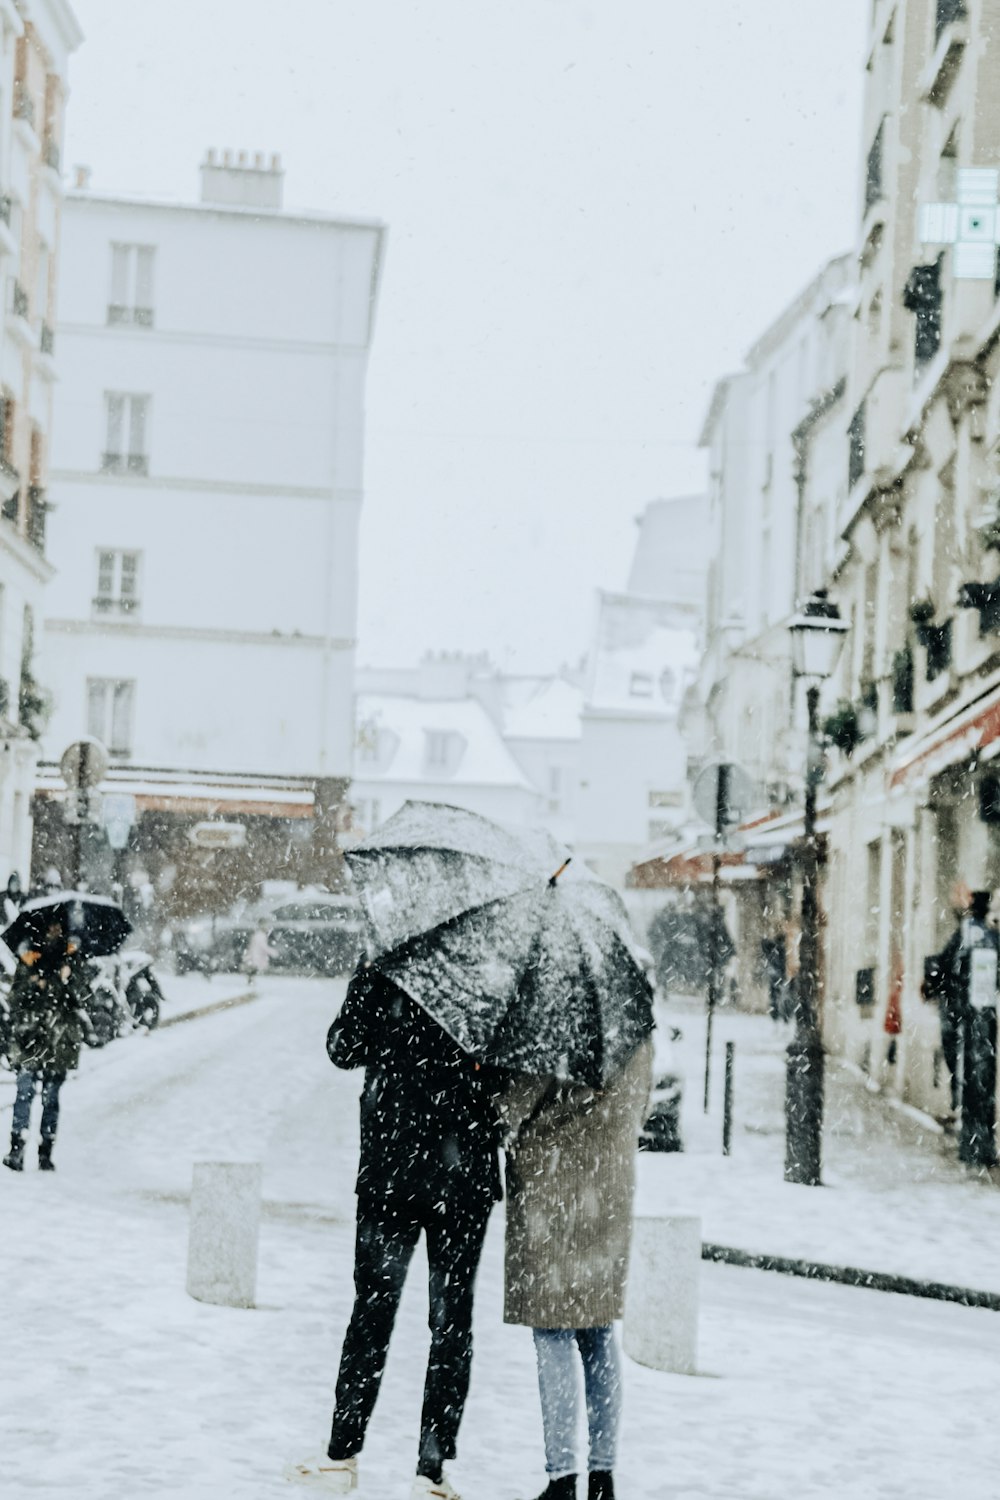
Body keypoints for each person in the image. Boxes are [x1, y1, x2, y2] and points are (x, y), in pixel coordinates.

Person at [288, 962, 504, 1499]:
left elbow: (343, 1047)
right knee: (452, 1320)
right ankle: (430, 1471)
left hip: (393, 1167)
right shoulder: (490, 972)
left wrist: (367, 996)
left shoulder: (388, 963)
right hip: (463, 1175)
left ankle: (343, 1452)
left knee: (372, 1312)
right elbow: (505, 1078)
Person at [502, 1038, 654, 1500]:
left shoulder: (552, 1013)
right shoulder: (633, 1018)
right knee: (598, 1329)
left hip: (553, 1186)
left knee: (552, 1330)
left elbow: (516, 1103)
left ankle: (562, 1477)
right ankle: (603, 1475)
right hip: (608, 1184)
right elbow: (641, 1106)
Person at [2, 917, 89, 1172]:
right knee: (24, 1092)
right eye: (50, 926)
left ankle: (45, 1152)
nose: (54, 931)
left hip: (60, 1039)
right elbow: (15, 999)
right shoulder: (28, 959)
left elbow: (83, 998)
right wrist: (33, 984)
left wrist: (67, 980)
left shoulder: (73, 960)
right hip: (30, 1038)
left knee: (51, 1098)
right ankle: (17, 1148)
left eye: (59, 927)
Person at [923, 889, 999, 1163]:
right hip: (985, 1020)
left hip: (964, 1019)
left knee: (966, 1075)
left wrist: (936, 986)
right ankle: (982, 1144)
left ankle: (972, 1143)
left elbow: (942, 967)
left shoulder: (965, 935)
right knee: (982, 1080)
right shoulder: (991, 937)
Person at [243, 921, 275, 986]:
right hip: (257, 955)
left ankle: (250, 980)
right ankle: (251, 980)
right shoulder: (260, 935)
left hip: (255, 954)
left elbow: (253, 945)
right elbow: (262, 946)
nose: (267, 928)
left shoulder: (258, 934)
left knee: (253, 968)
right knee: (254, 968)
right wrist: (272, 952)